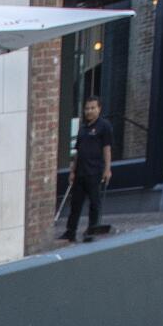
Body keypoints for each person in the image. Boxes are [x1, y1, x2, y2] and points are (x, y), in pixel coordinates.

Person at [62, 96, 115, 244]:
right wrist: (72, 171)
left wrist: (107, 169)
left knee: (94, 203)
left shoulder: (104, 126)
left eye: (92, 108)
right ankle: (70, 232)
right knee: (75, 204)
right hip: (80, 172)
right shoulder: (83, 129)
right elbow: (77, 152)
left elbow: (107, 148)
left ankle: (92, 232)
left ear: (99, 109)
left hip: (95, 171)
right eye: (87, 108)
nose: (89, 111)